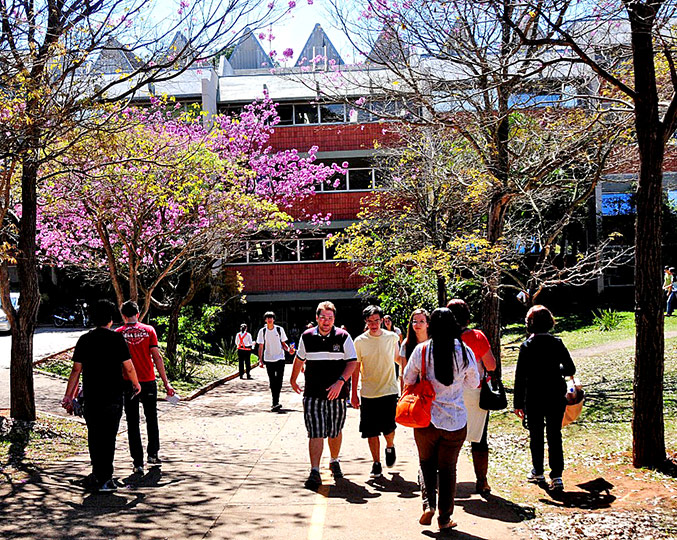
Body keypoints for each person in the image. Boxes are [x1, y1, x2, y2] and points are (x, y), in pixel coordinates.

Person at [402, 307, 479, 531]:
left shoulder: (422, 350)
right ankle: (445, 518)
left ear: (431, 326)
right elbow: (474, 383)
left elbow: (408, 378)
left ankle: (428, 505)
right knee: (448, 469)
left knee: (426, 463)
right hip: (455, 421)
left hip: (425, 418)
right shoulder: (464, 351)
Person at [62, 300, 141, 492]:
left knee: (95, 437)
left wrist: (68, 396)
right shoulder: (117, 339)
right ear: (111, 319)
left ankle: (99, 474)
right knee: (109, 438)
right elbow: (128, 367)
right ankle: (105, 478)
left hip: (92, 397)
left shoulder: (84, 340)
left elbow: (76, 370)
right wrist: (136, 384)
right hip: (113, 396)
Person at [290, 301, 358, 490]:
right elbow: (299, 358)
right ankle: (314, 471)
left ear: (334, 319)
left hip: (336, 394)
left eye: (330, 318)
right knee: (316, 432)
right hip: (313, 393)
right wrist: (293, 379)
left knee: (334, 431)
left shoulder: (343, 337)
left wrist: (340, 382)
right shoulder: (307, 337)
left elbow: (352, 362)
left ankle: (334, 460)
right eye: (323, 317)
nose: (326, 321)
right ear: (317, 318)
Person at [513, 305, 576, 492]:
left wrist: (517, 403)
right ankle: (557, 475)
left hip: (533, 397)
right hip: (555, 394)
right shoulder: (557, 343)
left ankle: (538, 471)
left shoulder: (527, 346)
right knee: (555, 435)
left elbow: (520, 377)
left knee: (536, 435)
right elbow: (570, 369)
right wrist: (557, 371)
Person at [117, 300, 175, 474]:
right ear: (137, 313)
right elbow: (157, 357)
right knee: (151, 418)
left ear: (123, 315)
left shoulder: (118, 333)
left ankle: (138, 462)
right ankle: (153, 454)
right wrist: (166, 382)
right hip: (148, 380)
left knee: (133, 422)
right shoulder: (149, 331)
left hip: (128, 382)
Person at [447, 299, 497, 495]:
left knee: (449, 439)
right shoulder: (477, 336)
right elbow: (491, 364)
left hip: (450, 394)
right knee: (479, 438)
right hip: (475, 391)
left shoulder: (441, 338)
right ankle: (482, 480)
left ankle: (447, 479)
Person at [351, 305, 401, 477]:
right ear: (365, 321)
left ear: (382, 320)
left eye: (377, 321)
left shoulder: (392, 338)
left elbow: (398, 359)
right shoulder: (359, 341)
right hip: (368, 392)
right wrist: (353, 394)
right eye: (370, 321)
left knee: (388, 428)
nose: (374, 324)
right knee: (371, 431)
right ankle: (376, 463)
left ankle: (390, 446)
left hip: (389, 390)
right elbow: (356, 369)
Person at [256, 311, 292, 411]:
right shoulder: (262, 331)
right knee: (272, 381)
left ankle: (276, 401)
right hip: (269, 359)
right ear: (265, 320)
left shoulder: (279, 330)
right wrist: (260, 360)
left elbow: (283, 343)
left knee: (279, 380)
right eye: (267, 318)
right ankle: (274, 402)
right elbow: (261, 346)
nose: (269, 319)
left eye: (271, 317)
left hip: (280, 358)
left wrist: (289, 350)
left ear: (274, 319)